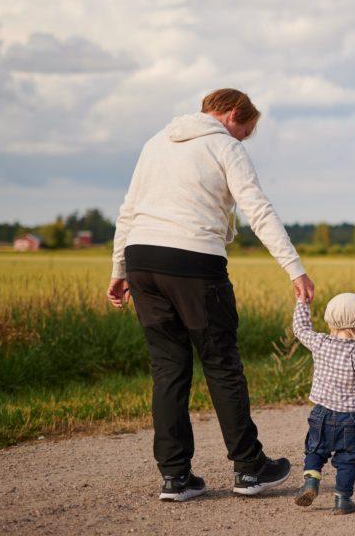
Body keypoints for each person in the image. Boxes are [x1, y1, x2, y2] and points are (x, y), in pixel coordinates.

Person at [106, 88, 316, 502]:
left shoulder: (155, 142)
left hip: (142, 258)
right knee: (221, 364)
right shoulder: (224, 147)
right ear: (233, 113)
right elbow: (256, 208)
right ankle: (250, 468)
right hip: (195, 263)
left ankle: (176, 478)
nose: (242, 140)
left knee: (168, 368)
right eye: (244, 130)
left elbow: (128, 210)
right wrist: (294, 267)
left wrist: (119, 269)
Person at [290, 291, 355, 515]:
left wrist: (302, 302)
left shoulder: (320, 342)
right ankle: (342, 500)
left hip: (321, 413)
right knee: (347, 458)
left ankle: (310, 482)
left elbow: (300, 329)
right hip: (350, 417)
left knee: (315, 449)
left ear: (329, 318)